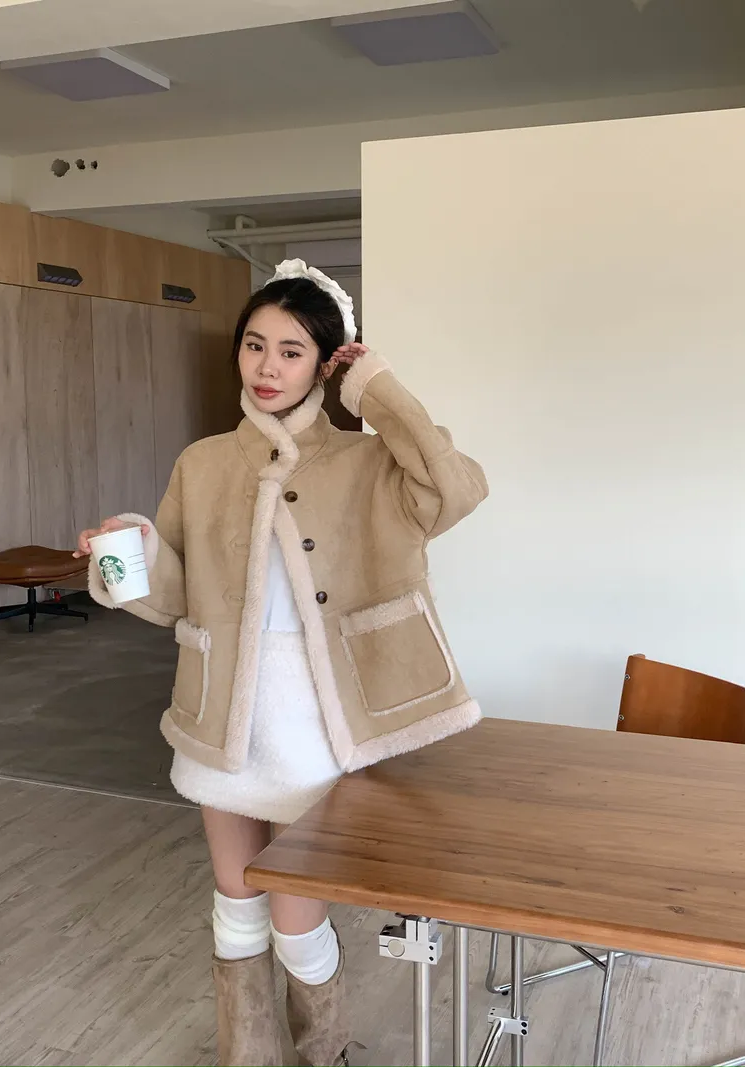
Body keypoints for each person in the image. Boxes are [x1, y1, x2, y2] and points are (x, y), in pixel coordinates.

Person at [75, 259, 488, 1067]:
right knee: (237, 907)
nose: (267, 366)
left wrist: (379, 390)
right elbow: (175, 595)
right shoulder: (201, 462)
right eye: (255, 344)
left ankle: (324, 1049)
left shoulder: (370, 462)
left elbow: (457, 490)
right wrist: (129, 550)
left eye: (292, 351)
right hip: (221, 715)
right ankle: (248, 1055)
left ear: (326, 364)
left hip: (316, 725)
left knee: (297, 920)